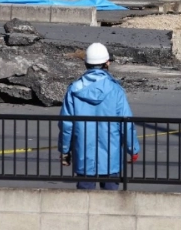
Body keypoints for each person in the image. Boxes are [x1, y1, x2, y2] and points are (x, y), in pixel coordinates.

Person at [59, 42, 141, 190]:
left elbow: (66, 124)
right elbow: (126, 123)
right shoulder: (115, 90)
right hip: (111, 156)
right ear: (107, 63)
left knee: (85, 201)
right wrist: (132, 148)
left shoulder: (74, 89)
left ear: (86, 63)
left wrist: (65, 150)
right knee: (110, 201)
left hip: (84, 155)